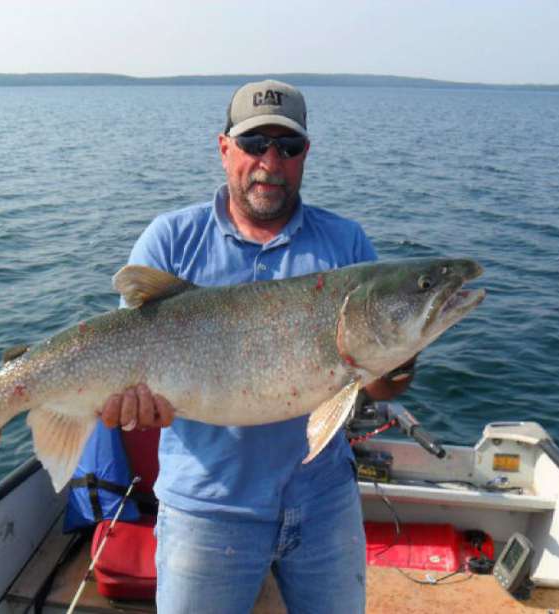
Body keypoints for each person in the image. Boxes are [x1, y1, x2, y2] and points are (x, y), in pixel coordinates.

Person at [98, 80, 415, 613]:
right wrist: (129, 409)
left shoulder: (347, 244)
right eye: (253, 145)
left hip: (323, 505)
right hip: (206, 510)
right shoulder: (171, 239)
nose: (270, 161)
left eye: (287, 148)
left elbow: (379, 385)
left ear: (305, 155)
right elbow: (129, 358)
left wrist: (404, 349)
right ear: (224, 148)